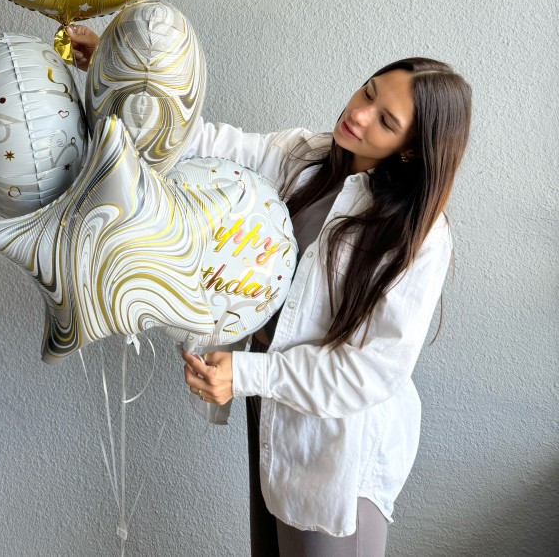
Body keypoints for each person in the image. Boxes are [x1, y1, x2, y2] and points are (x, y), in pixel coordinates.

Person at [66, 27, 472, 557]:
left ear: (411, 152)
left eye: (386, 121)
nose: (360, 113)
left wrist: (248, 374)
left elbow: (371, 371)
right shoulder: (302, 156)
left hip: (337, 445)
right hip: (273, 412)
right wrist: (121, 76)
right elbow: (202, 141)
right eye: (369, 91)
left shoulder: (419, 237)